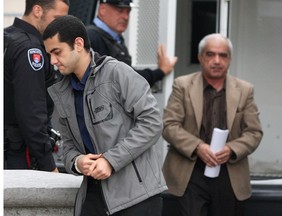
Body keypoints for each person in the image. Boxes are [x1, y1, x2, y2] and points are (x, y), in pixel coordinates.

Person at [43, 15, 167, 216]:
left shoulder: (118, 73)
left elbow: (152, 123)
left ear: (78, 44)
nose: (53, 61)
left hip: (137, 197)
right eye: (49, 54)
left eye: (57, 52)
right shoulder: (61, 91)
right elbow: (68, 148)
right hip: (93, 196)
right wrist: (77, 162)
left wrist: (110, 160)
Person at [162, 33, 263, 216]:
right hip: (191, 172)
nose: (217, 60)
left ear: (229, 59)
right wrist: (198, 147)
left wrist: (231, 149)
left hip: (229, 174)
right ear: (201, 58)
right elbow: (169, 125)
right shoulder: (182, 85)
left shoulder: (245, 90)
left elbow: (254, 132)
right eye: (210, 54)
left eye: (223, 55)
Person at [4, 0, 69, 171]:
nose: (60, 26)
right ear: (38, 11)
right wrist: (47, 163)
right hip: (17, 153)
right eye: (57, 18)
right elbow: (32, 112)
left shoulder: (8, 37)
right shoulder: (31, 50)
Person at [86, 0, 177, 87]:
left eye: (128, 11)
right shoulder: (91, 37)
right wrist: (160, 72)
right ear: (103, 10)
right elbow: (124, 79)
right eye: (120, 10)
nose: (125, 17)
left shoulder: (115, 38)